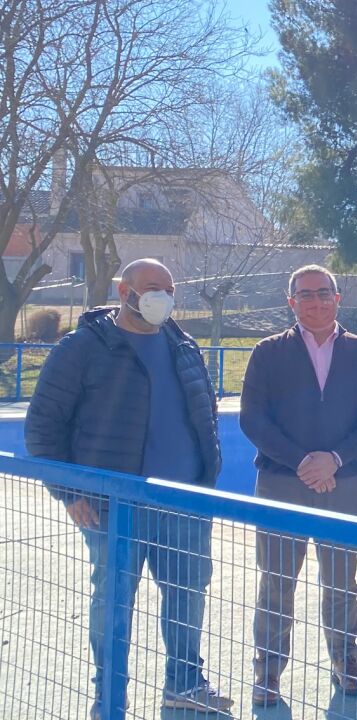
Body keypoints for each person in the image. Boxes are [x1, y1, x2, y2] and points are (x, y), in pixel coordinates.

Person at [24, 258, 231, 717]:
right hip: (114, 506)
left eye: (170, 289)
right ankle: (109, 695)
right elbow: (43, 426)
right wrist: (69, 492)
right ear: (124, 291)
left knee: (187, 595)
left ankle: (185, 684)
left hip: (185, 504)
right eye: (153, 287)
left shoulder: (183, 345)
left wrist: (206, 478)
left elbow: (205, 413)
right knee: (113, 601)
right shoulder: (83, 347)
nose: (163, 297)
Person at [240, 265, 357, 706]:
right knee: (276, 581)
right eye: (305, 294)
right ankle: (268, 670)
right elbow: (253, 418)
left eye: (324, 293)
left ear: (338, 298)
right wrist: (302, 462)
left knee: (342, 582)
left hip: (345, 483)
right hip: (282, 484)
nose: (316, 301)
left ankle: (346, 661)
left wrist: (335, 459)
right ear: (291, 302)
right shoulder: (268, 352)